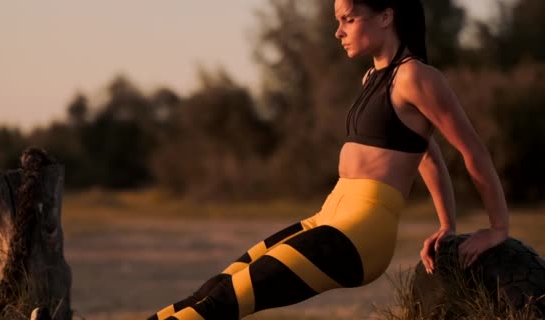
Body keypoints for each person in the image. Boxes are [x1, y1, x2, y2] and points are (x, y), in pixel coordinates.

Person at [147, 0, 510, 319]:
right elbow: (425, 153)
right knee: (216, 287)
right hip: (327, 217)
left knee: (223, 302)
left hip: (359, 234)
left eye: (348, 19)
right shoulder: (372, 78)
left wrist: (498, 228)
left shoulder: (416, 76)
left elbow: (472, 150)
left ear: (385, 16)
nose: (338, 32)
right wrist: (447, 224)